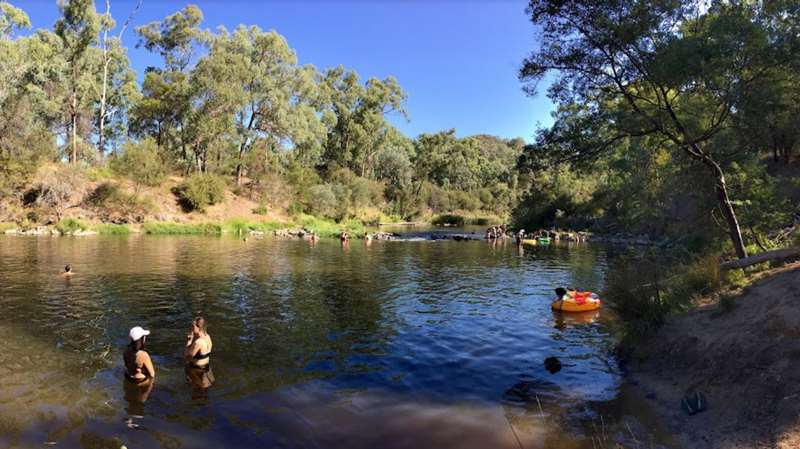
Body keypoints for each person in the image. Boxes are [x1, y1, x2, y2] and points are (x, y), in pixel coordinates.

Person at [185, 317, 214, 391]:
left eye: (193, 326)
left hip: (197, 371)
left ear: (199, 327)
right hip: (207, 368)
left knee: (197, 391)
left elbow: (186, 356)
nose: (191, 328)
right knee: (205, 389)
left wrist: (189, 340)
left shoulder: (198, 342)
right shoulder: (208, 337)